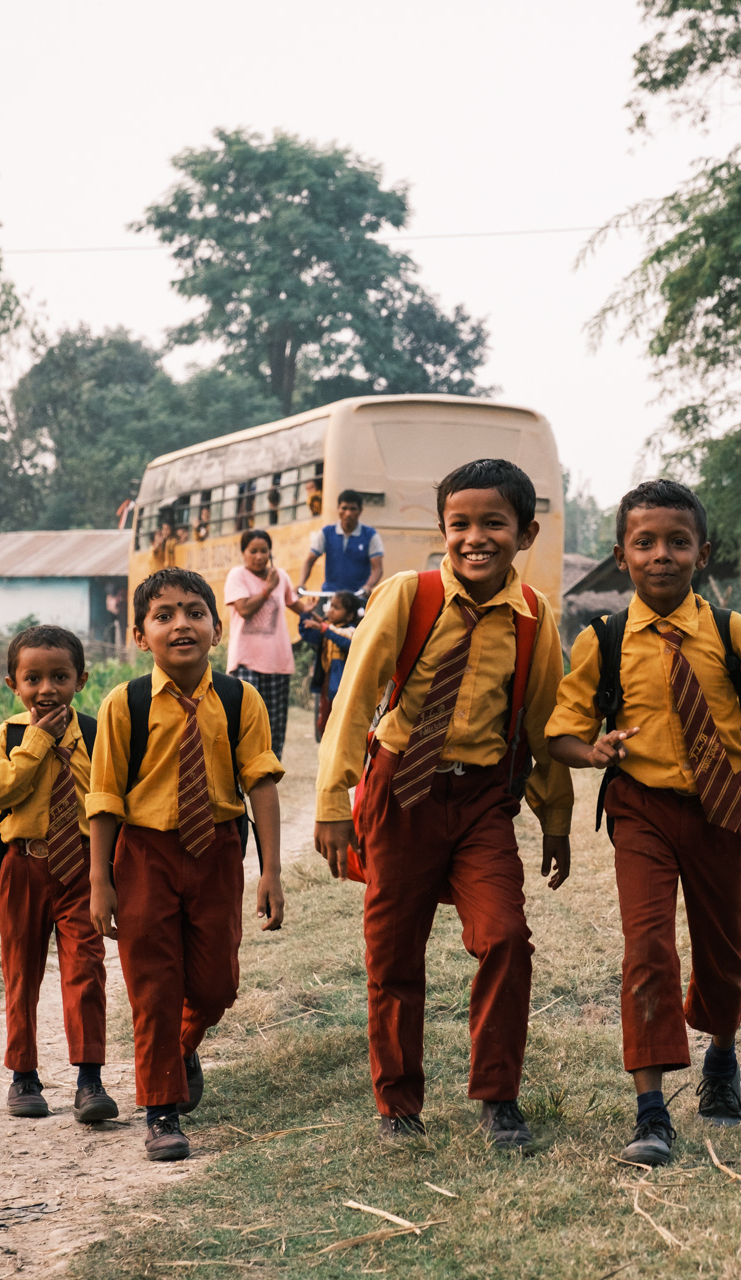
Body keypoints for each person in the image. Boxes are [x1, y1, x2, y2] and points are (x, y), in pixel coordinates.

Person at [546, 479, 741, 1168]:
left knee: (722, 950)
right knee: (647, 951)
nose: (661, 555)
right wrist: (594, 751)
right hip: (641, 808)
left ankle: (722, 1057)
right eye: (644, 542)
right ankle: (650, 1113)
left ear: (705, 553)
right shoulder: (604, 642)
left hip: (724, 809)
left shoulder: (737, 638)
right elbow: (560, 733)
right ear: (622, 556)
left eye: (678, 541)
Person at [313, 459, 572, 1150]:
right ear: (442, 529)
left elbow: (543, 722)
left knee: (505, 938)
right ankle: (398, 1105)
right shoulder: (408, 595)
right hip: (404, 791)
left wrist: (555, 819)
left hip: (483, 797)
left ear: (526, 533)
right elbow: (355, 698)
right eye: (460, 524)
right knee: (394, 953)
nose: (475, 538)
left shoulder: (535, 616)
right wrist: (333, 799)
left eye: (494, 523)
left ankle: (498, 1099)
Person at [86, 568, 286, 1162]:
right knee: (154, 985)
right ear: (140, 636)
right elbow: (103, 799)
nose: (181, 624)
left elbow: (262, 784)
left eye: (195, 612)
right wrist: (101, 880)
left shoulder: (238, 697)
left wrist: (270, 869)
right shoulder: (125, 704)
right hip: (145, 853)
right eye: (164, 614)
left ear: (216, 628)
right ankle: (161, 1111)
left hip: (218, 851)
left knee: (217, 984)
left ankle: (181, 1046)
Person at [0, 624, 117, 1126]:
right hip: (23, 867)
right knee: (21, 973)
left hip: (83, 868)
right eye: (32, 678)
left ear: (81, 678)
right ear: (12, 683)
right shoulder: (6, 737)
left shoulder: (98, 735)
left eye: (59, 676)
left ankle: (89, 1078)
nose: (46, 689)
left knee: (87, 971)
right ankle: (24, 1075)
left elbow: (109, 796)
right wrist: (37, 742)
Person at [225, 529, 309, 762]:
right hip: (246, 661)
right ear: (244, 553)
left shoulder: (280, 576)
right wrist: (267, 589)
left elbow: (295, 604)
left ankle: (269, 770)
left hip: (277, 661)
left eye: (264, 551)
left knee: (274, 723)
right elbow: (245, 609)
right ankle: (239, 767)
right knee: (244, 720)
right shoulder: (237, 576)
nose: (259, 556)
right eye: (253, 551)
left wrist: (313, 616)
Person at [299, 590, 360, 741]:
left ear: (349, 615)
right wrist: (305, 615)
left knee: (341, 727)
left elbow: (347, 642)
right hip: (328, 686)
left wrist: (324, 629)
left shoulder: (352, 632)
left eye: (336, 607)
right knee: (324, 724)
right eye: (330, 606)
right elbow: (307, 634)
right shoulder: (326, 629)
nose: (331, 610)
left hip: (344, 688)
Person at [301, 489, 385, 599]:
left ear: (360, 511)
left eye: (353, 509)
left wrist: (368, 586)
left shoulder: (370, 535)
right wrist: (301, 584)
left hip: (357, 598)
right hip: (330, 596)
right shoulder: (326, 533)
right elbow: (309, 561)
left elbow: (378, 568)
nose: (348, 513)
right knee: (310, 616)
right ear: (338, 509)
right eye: (344, 508)